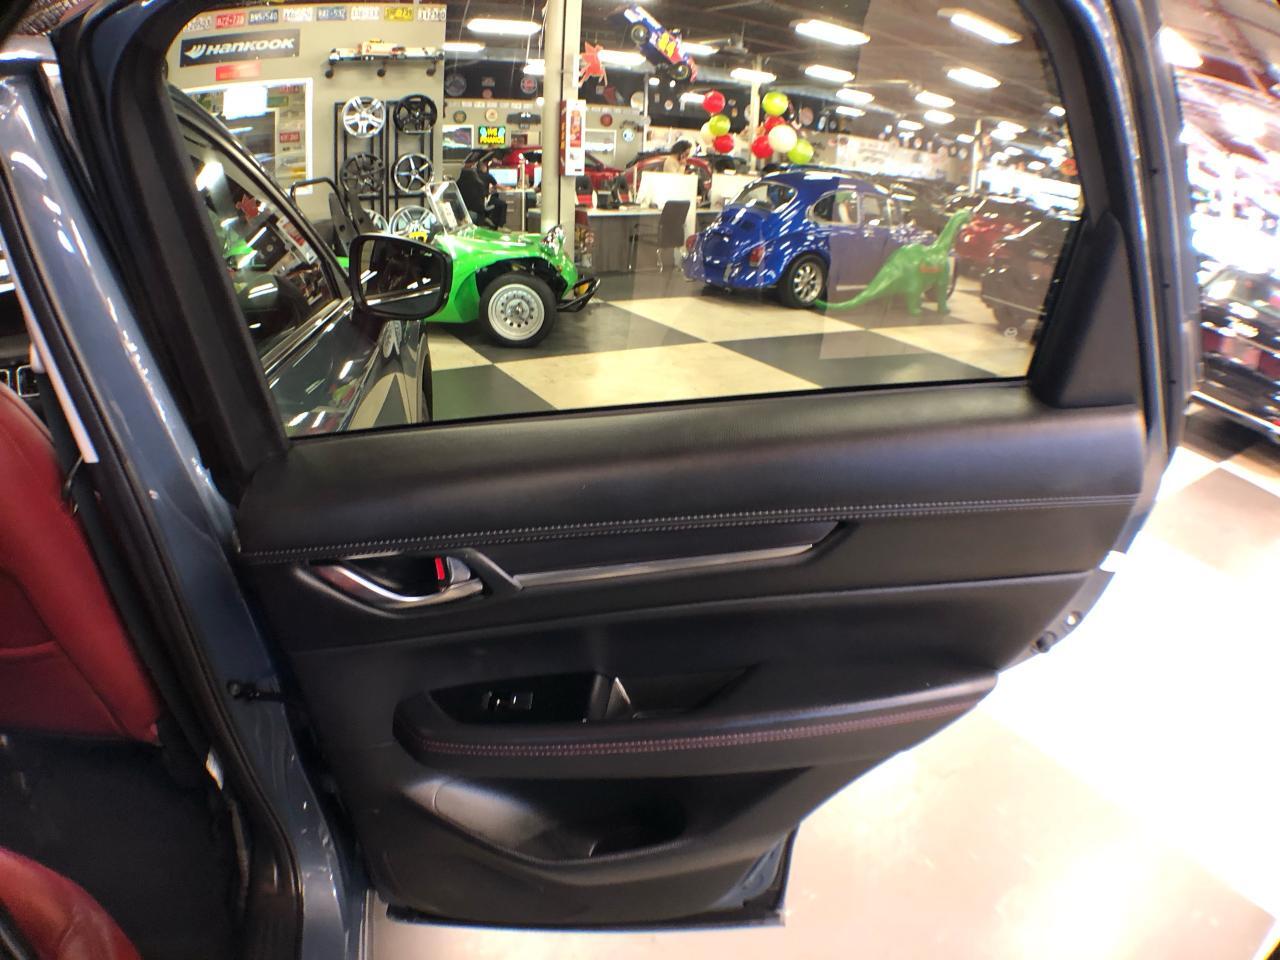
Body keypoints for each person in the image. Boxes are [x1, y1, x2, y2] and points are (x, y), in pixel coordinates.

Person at [457, 157, 508, 228]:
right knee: (503, 204)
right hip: (483, 202)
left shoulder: (468, 177)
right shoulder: (487, 175)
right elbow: (497, 186)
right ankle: (500, 225)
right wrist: (508, 188)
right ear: (484, 167)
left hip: (469, 206)